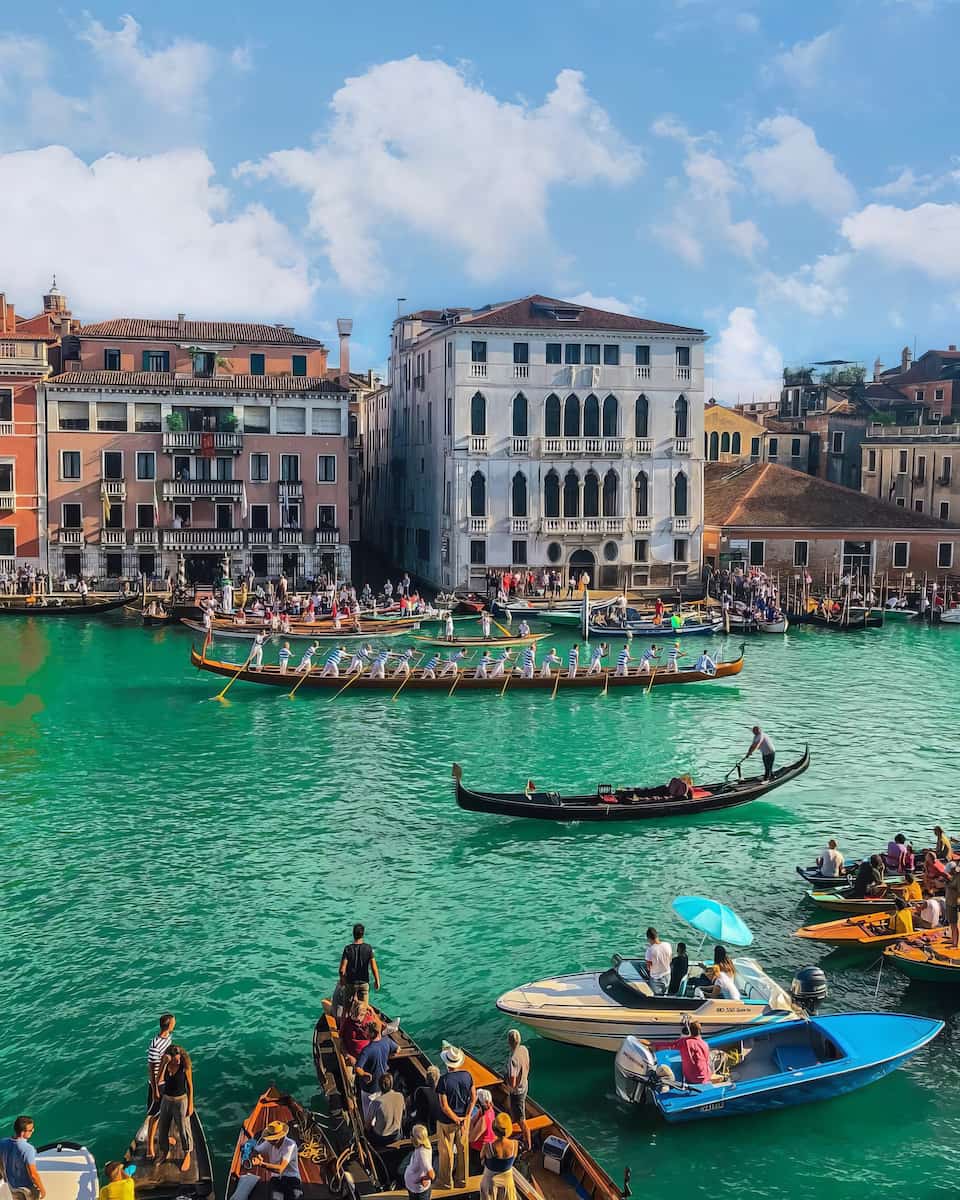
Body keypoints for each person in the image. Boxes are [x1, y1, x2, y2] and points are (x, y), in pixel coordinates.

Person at [436, 1043, 475, 1190]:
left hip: (447, 1122)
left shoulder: (443, 1081)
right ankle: (462, 1181)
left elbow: (444, 1106)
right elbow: (473, 1097)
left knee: (446, 1153)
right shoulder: (467, 1076)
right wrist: (467, 1116)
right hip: (464, 1120)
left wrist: (456, 1118)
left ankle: (446, 1182)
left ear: (447, 1063)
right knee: (463, 1150)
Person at [151, 1045, 194, 1171]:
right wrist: (164, 1064)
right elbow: (158, 1080)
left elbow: (190, 1086)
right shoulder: (166, 1065)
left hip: (181, 1100)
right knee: (163, 1128)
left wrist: (191, 1104)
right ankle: (164, 1152)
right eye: (175, 1059)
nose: (178, 1061)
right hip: (166, 1100)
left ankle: (187, 1154)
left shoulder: (184, 1066)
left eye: (179, 1058)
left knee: (184, 1130)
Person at [642, 1019, 722, 1085]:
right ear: (700, 1031)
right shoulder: (705, 1044)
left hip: (691, 1078)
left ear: (690, 1031)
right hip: (705, 1077)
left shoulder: (685, 1042)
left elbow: (668, 1044)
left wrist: (651, 1043)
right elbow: (706, 1061)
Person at [243, 1119, 302, 1200]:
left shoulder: (290, 1145)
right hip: (276, 1178)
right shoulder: (269, 1142)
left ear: (282, 1137)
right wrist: (255, 1155)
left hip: (292, 1178)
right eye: (270, 1139)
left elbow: (280, 1169)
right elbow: (255, 1150)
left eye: (274, 1139)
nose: (271, 1141)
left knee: (296, 1196)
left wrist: (261, 1164)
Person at [355, 1023, 399, 1123]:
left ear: (371, 1033)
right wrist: (388, 1056)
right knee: (381, 1108)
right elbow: (398, 1049)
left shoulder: (367, 1051)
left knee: (369, 1112)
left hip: (369, 1088)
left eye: (366, 1031)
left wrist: (364, 1074)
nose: (364, 1032)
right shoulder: (386, 1041)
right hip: (383, 1084)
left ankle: (369, 1130)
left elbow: (358, 1068)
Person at [0, 1116, 45, 1200]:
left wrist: (5, 1177)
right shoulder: (28, 1149)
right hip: (27, 1188)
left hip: (12, 1186)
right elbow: (33, 1174)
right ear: (22, 1132)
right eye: (31, 1130)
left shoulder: (2, 1142)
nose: (33, 1131)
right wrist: (42, 1190)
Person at [338, 924, 381, 1010]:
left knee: (346, 1010)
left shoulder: (347, 949)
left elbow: (342, 970)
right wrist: (377, 981)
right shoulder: (368, 948)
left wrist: (343, 981)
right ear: (363, 934)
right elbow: (373, 967)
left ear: (353, 934)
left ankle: (343, 1023)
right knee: (363, 1010)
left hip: (350, 983)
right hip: (363, 984)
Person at [504, 1029, 531, 1151]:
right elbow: (527, 1065)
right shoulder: (524, 1049)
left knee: (522, 1120)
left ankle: (528, 1145)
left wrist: (507, 1083)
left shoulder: (513, 1059)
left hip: (517, 1092)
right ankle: (512, 1123)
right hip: (525, 1085)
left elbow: (513, 1083)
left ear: (509, 1042)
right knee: (515, 1110)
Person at [479, 1113, 517, 1200]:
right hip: (507, 1181)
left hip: (491, 1182)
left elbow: (481, 1157)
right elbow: (513, 1159)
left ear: (494, 1129)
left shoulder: (488, 1146)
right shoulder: (515, 1144)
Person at [367, 1073, 405, 1149]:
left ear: (379, 1086)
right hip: (396, 1136)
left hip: (381, 1139)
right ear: (391, 1084)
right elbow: (403, 1114)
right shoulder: (400, 1096)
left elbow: (368, 1123)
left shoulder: (376, 1102)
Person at [404, 1125, 435, 1200]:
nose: (410, 1136)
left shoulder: (422, 1154)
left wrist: (424, 1179)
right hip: (414, 1188)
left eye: (412, 1135)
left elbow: (432, 1175)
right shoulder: (424, 1145)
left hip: (418, 1192)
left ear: (416, 1139)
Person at [411, 1065, 444, 1134]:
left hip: (426, 1128)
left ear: (427, 1079)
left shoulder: (421, 1091)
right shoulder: (443, 1092)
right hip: (439, 1126)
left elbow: (418, 1111)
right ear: (438, 1078)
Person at [468, 1089, 496, 1170]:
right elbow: (473, 1120)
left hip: (479, 1152)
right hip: (486, 1147)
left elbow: (471, 1138)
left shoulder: (484, 1119)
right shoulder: (489, 1110)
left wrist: (469, 1126)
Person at [644, 927, 672, 995]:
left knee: (657, 997)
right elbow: (670, 960)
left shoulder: (650, 950)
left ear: (649, 938)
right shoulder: (668, 945)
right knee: (665, 994)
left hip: (656, 978)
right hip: (667, 975)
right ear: (657, 935)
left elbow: (649, 967)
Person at [946, 864, 960, 949]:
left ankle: (955, 944)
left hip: (954, 902)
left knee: (954, 924)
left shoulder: (958, 878)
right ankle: (953, 939)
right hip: (949, 901)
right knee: (951, 922)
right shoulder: (953, 877)